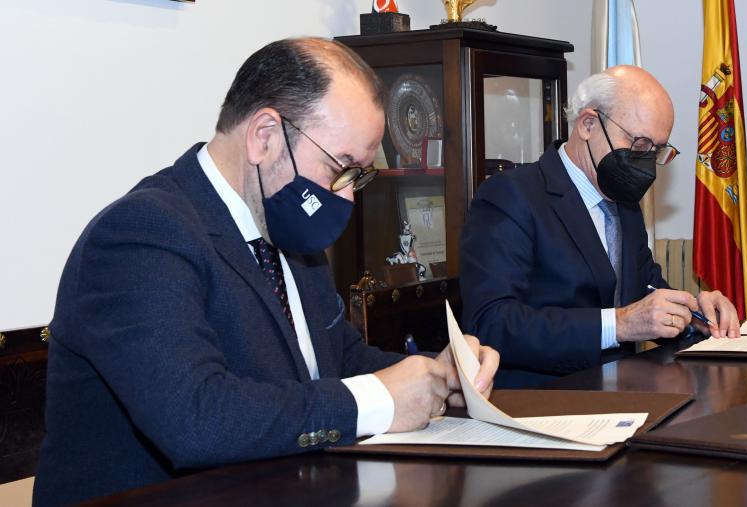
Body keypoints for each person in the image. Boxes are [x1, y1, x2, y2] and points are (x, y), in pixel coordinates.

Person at [34, 37, 498, 506]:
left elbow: (338, 363)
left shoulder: (286, 232)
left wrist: (437, 375)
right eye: (340, 168)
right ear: (264, 136)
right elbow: (196, 418)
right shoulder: (141, 234)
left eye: (358, 176)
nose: (346, 196)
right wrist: (377, 400)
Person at [460, 65, 737, 388]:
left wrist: (694, 314)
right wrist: (618, 325)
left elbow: (645, 290)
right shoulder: (513, 195)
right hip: (543, 399)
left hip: (624, 391)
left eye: (656, 150)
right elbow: (492, 322)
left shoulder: (623, 202)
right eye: (639, 144)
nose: (646, 161)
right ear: (588, 124)